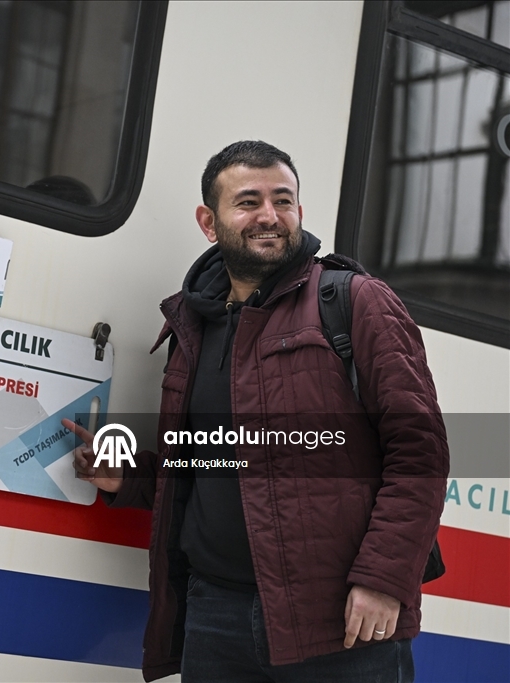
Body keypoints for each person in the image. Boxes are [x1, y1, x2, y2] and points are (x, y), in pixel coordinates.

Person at [65, 140, 448, 682]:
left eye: (283, 200)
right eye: (248, 202)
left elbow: (421, 454)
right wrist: (129, 479)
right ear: (209, 220)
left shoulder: (356, 301)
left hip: (339, 622)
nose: (269, 216)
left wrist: (384, 580)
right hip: (215, 614)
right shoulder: (192, 325)